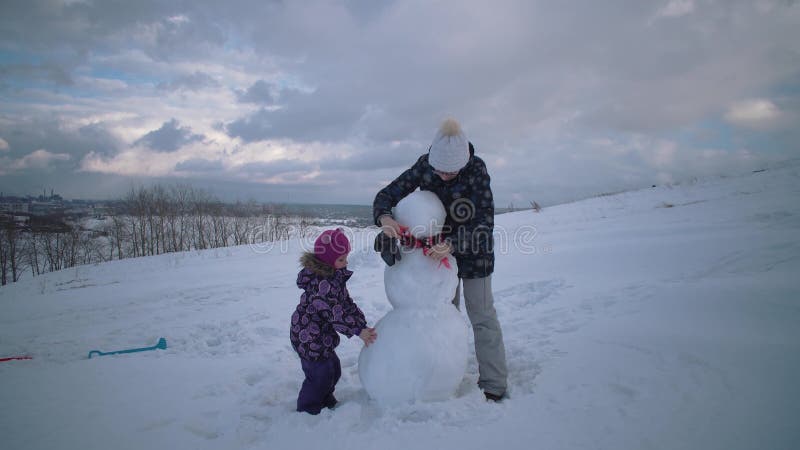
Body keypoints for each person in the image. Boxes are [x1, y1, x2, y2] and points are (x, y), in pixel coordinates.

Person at [373, 118, 508, 401]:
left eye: (450, 172)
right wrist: (385, 217)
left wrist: (452, 244)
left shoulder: (477, 170)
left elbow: (484, 223)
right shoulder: (425, 165)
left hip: (474, 256)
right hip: (434, 258)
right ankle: (444, 378)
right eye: (439, 171)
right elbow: (387, 194)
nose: (443, 176)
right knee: (444, 320)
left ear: (463, 162)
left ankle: (494, 383)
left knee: (482, 316)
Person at [290, 228, 378, 414]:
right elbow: (334, 314)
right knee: (320, 374)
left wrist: (360, 323)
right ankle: (308, 409)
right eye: (341, 259)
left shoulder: (334, 278)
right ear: (327, 260)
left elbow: (345, 302)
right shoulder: (322, 285)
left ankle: (325, 397)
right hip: (308, 337)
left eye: (346, 257)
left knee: (333, 370)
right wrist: (357, 331)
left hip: (321, 335)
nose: (346, 262)